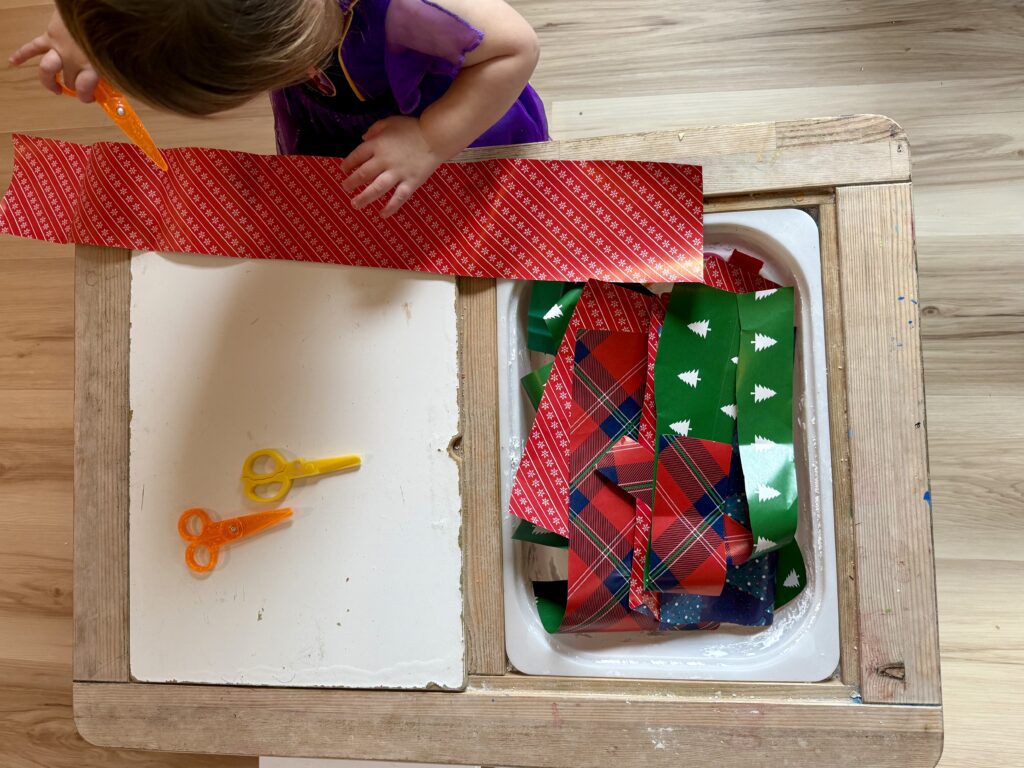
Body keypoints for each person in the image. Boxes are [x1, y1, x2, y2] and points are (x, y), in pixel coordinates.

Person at [9, 0, 548, 217]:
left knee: (460, 217)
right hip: (333, 119)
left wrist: (430, 139)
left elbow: (515, 48)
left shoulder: (409, 7)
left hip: (453, 114)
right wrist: (88, 33)